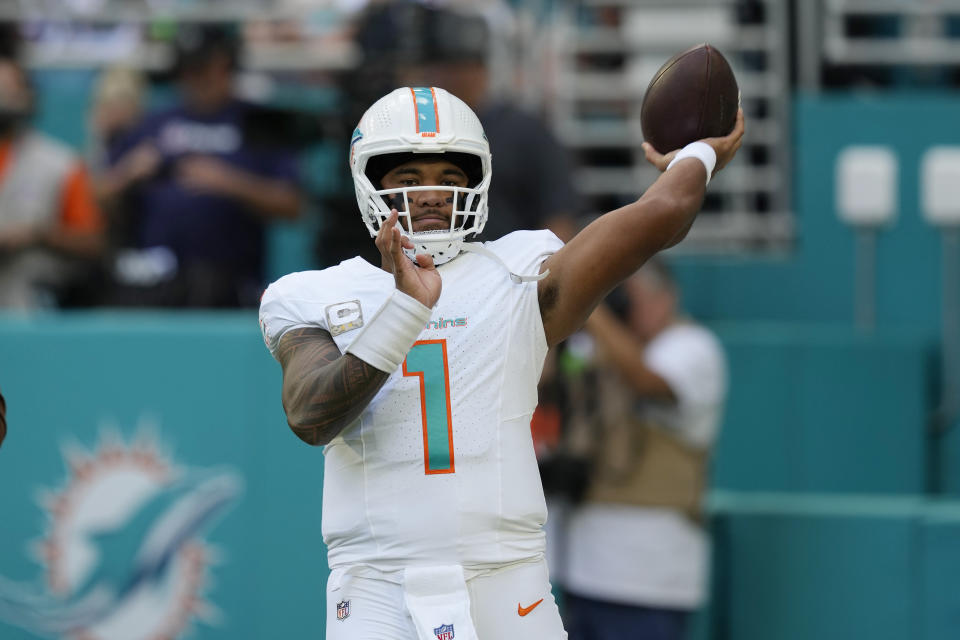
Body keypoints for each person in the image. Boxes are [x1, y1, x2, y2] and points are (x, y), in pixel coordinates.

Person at [258, 86, 743, 639]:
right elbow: (310, 414)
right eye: (409, 180)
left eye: (449, 175)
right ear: (370, 185)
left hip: (507, 578)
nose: (433, 193)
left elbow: (662, 213)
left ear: (477, 182)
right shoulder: (312, 294)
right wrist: (407, 309)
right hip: (375, 586)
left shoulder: (519, 273)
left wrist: (698, 155)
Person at [559, 260, 728, 640]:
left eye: (625, 295)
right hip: (582, 570)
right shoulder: (595, 349)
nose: (622, 306)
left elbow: (648, 381)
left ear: (664, 299)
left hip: (651, 578)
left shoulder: (692, 347)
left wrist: (593, 308)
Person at [102, 23, 302, 307]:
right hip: (153, 284)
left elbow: (293, 204)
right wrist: (129, 172)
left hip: (232, 283)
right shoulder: (152, 123)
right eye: (186, 70)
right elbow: (99, 197)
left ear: (228, 65)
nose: (193, 79)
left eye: (203, 68)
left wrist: (229, 182)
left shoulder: (259, 122)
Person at [0, 56, 105, 309]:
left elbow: (92, 242)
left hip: (26, 297)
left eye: (8, 90)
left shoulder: (60, 163)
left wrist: (37, 234)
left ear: (27, 96)